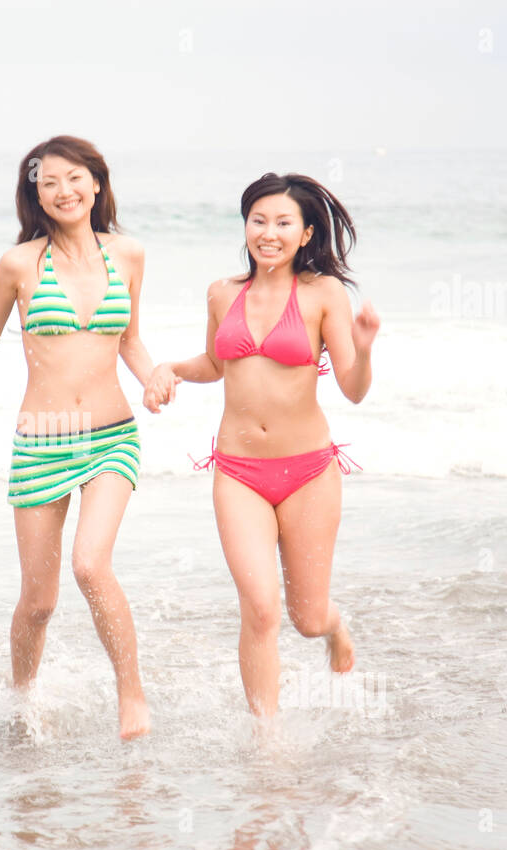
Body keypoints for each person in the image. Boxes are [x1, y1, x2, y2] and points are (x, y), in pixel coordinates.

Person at [0, 136, 156, 739]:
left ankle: (132, 695)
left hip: (112, 436)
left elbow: (130, 340)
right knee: (38, 603)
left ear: (96, 182)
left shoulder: (129, 254)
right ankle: (22, 702)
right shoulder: (20, 265)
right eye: (49, 183)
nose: (64, 191)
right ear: (35, 195)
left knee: (91, 565)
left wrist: (155, 378)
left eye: (75, 179)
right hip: (40, 441)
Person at [144, 172, 380, 719]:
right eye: (258, 220)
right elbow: (214, 364)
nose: (268, 233)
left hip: (309, 473)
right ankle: (266, 742)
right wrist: (167, 368)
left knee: (307, 617)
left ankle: (335, 627)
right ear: (245, 226)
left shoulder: (324, 295)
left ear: (305, 234)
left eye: (282, 223)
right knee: (259, 608)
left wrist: (364, 352)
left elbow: (353, 389)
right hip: (239, 471)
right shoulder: (222, 293)